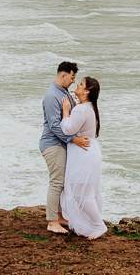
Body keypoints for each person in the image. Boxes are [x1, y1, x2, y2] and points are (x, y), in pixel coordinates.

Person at [39, 61, 91, 235]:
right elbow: (55, 126)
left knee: (62, 182)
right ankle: (52, 221)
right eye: (72, 77)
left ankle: (59, 216)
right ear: (63, 75)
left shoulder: (63, 92)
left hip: (60, 143)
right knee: (56, 182)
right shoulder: (52, 96)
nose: (73, 82)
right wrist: (74, 139)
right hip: (52, 144)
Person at [60, 76, 104, 238]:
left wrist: (66, 111)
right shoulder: (90, 107)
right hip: (90, 152)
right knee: (88, 191)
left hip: (83, 154)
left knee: (80, 192)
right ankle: (93, 223)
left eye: (80, 84)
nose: (76, 85)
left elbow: (68, 129)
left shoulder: (81, 109)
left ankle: (98, 226)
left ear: (86, 91)